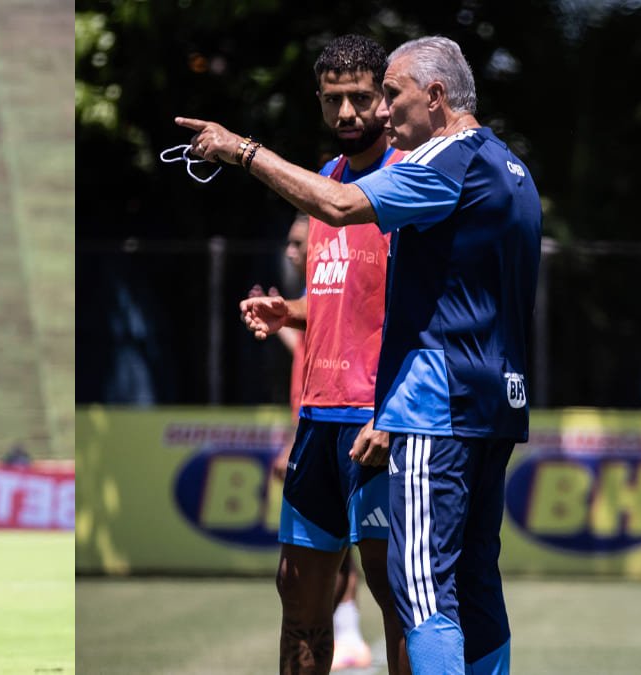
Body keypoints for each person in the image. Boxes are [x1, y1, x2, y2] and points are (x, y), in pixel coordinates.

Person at [217, 36, 541, 675]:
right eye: (335, 99)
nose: (372, 113)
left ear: (435, 97)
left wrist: (241, 150)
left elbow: (349, 221)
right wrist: (295, 310)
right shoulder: (504, 166)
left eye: (381, 96)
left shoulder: (430, 171)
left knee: (416, 595)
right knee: (456, 582)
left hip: (411, 411)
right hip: (416, 408)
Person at [231, 35, 407, 675]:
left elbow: (420, 311)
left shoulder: (408, 181)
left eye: (360, 97)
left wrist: (393, 415)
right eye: (333, 100)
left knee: (398, 599)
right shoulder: (326, 183)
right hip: (317, 420)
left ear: (386, 99)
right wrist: (291, 310)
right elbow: (340, 295)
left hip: (378, 423)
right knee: (299, 596)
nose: (347, 113)